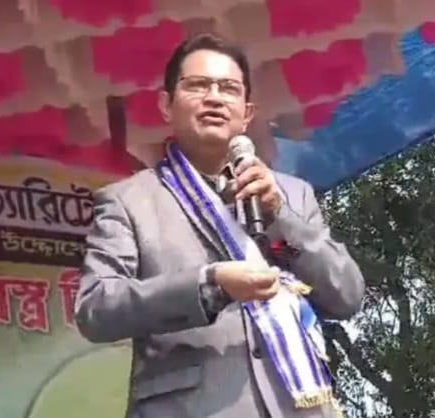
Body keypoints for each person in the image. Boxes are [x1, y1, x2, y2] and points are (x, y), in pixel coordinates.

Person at [75, 33, 365, 418]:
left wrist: (281, 218)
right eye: (197, 85)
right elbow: (96, 308)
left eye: (228, 88)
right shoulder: (128, 201)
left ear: (247, 113)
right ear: (166, 105)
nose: (214, 97)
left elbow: (346, 295)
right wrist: (209, 284)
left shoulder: (292, 195)